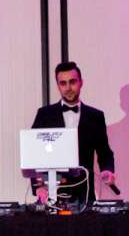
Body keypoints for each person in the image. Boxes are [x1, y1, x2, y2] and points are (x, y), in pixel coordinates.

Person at [30, 61, 117, 209]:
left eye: (72, 82)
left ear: (81, 83)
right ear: (58, 85)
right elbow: (33, 154)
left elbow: (104, 152)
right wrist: (38, 186)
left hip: (85, 193)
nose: (68, 88)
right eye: (63, 83)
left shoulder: (95, 116)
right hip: (52, 193)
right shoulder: (44, 115)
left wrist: (107, 170)